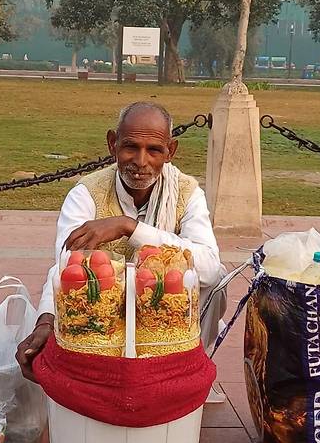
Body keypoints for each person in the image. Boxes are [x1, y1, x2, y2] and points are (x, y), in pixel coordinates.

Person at [16, 101, 227, 401]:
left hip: (165, 322)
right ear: (113, 144)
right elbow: (66, 270)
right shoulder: (86, 194)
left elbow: (210, 267)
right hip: (102, 322)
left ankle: (187, 373)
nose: (141, 161)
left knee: (213, 285)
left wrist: (130, 228)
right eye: (130, 147)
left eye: (154, 150)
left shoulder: (186, 193)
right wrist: (46, 321)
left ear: (171, 151)